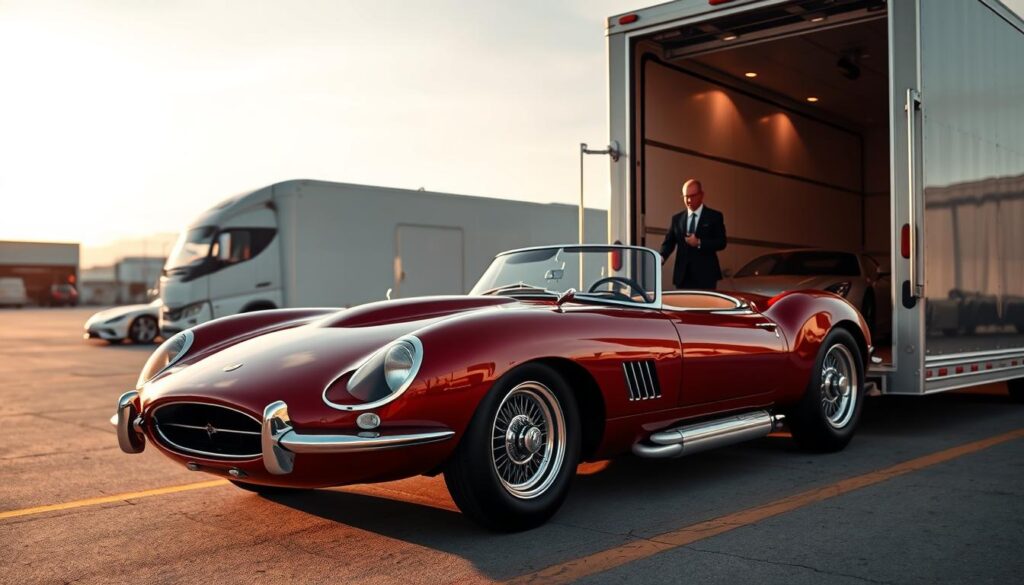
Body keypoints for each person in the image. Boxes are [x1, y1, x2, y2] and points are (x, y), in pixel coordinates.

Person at [659, 179, 727, 290]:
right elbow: (669, 242)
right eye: (686, 196)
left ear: (701, 195)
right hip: (683, 277)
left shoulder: (714, 216)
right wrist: (660, 258)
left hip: (706, 276)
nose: (689, 200)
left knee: (704, 307)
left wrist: (699, 242)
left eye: (693, 196)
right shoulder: (677, 219)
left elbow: (721, 242)